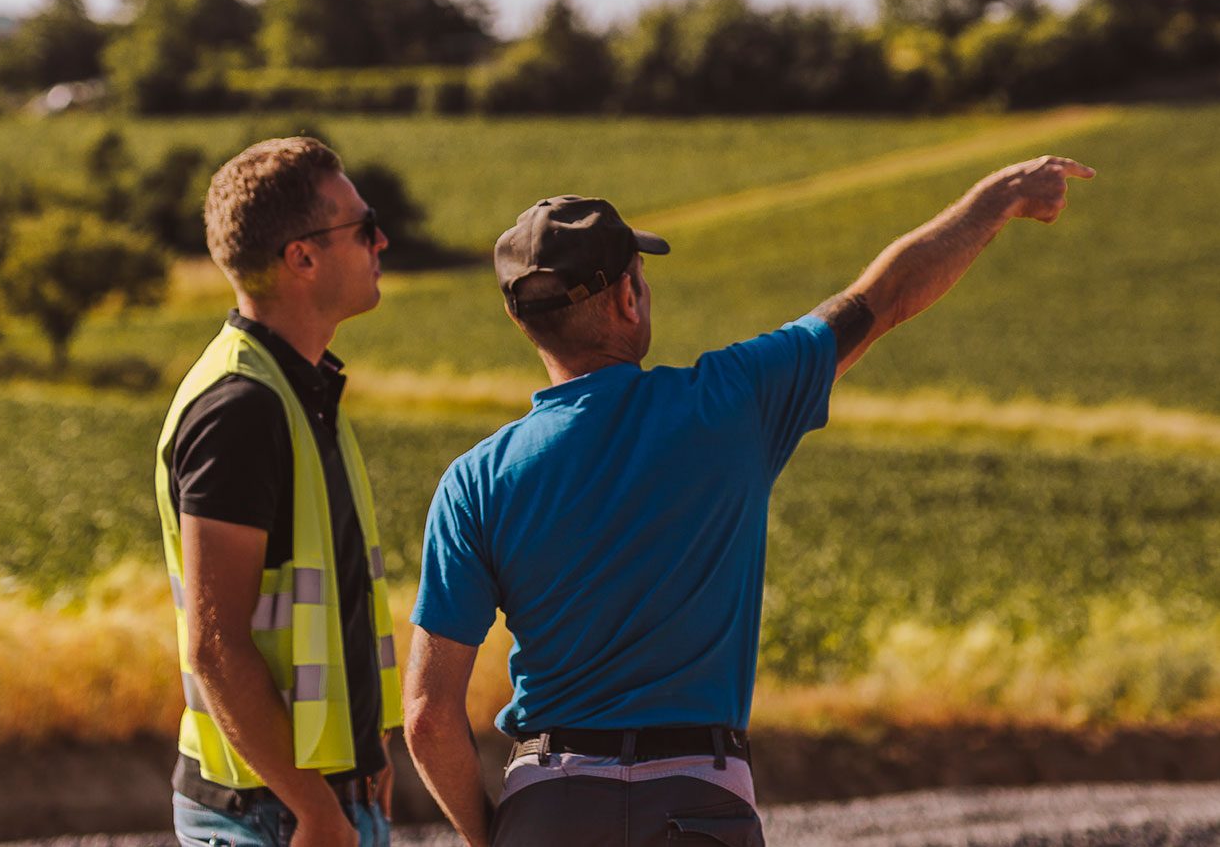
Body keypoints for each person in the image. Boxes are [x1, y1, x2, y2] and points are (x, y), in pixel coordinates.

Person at [402, 155, 1095, 847]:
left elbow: (429, 718)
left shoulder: (475, 480)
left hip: (548, 807)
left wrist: (490, 836)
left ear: (519, 317)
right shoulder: (732, 401)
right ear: (629, 297)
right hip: (698, 805)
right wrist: (997, 199)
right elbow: (884, 297)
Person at [153, 137, 403, 847]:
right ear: (303, 257)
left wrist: (368, 752)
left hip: (306, 803)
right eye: (363, 226)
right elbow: (215, 642)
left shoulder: (302, 388)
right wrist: (318, 810)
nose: (380, 239)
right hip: (274, 815)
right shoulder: (242, 406)